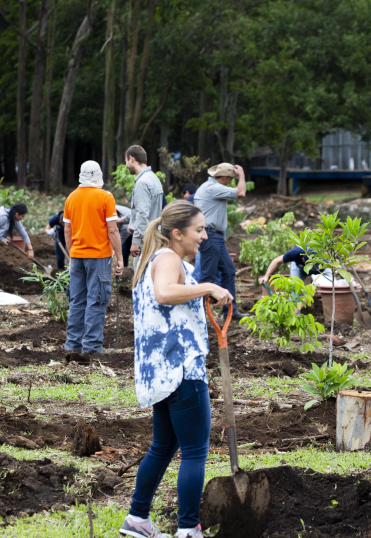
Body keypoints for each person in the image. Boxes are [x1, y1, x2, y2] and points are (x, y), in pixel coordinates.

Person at [120, 200, 233, 538]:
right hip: (182, 370)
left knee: (163, 447)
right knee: (195, 451)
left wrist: (200, 294)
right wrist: (209, 287)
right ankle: (188, 528)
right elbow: (166, 293)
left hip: (161, 372)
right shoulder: (169, 258)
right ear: (177, 233)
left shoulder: (154, 259)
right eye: (198, 230)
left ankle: (137, 519)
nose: (203, 236)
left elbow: (167, 298)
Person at [63, 161, 124, 356]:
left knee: (77, 301)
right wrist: (120, 258)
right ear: (99, 175)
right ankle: (91, 348)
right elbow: (113, 229)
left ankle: (72, 345)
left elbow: (67, 228)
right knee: (96, 301)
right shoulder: (105, 197)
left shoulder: (71, 197)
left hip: (77, 256)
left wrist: (72, 253)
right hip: (98, 257)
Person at [193, 162, 247, 317]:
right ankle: (199, 315)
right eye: (230, 180)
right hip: (210, 237)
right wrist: (241, 174)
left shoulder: (209, 187)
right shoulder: (213, 188)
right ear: (223, 178)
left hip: (215, 237)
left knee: (229, 271)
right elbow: (241, 192)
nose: (231, 183)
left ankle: (231, 311)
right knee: (207, 277)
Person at [126, 145, 164, 260]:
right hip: (155, 236)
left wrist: (135, 242)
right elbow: (149, 209)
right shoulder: (153, 178)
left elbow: (142, 214)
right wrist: (122, 220)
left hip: (145, 240)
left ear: (131, 159)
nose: (126, 165)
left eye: (126, 161)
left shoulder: (142, 183)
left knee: (140, 274)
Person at [258, 246, 322, 285]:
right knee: (294, 287)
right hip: (298, 267)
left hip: (316, 271)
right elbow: (276, 261)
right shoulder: (296, 252)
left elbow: (311, 291)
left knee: (326, 285)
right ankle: (294, 302)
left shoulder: (320, 263)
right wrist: (266, 276)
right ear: (303, 258)